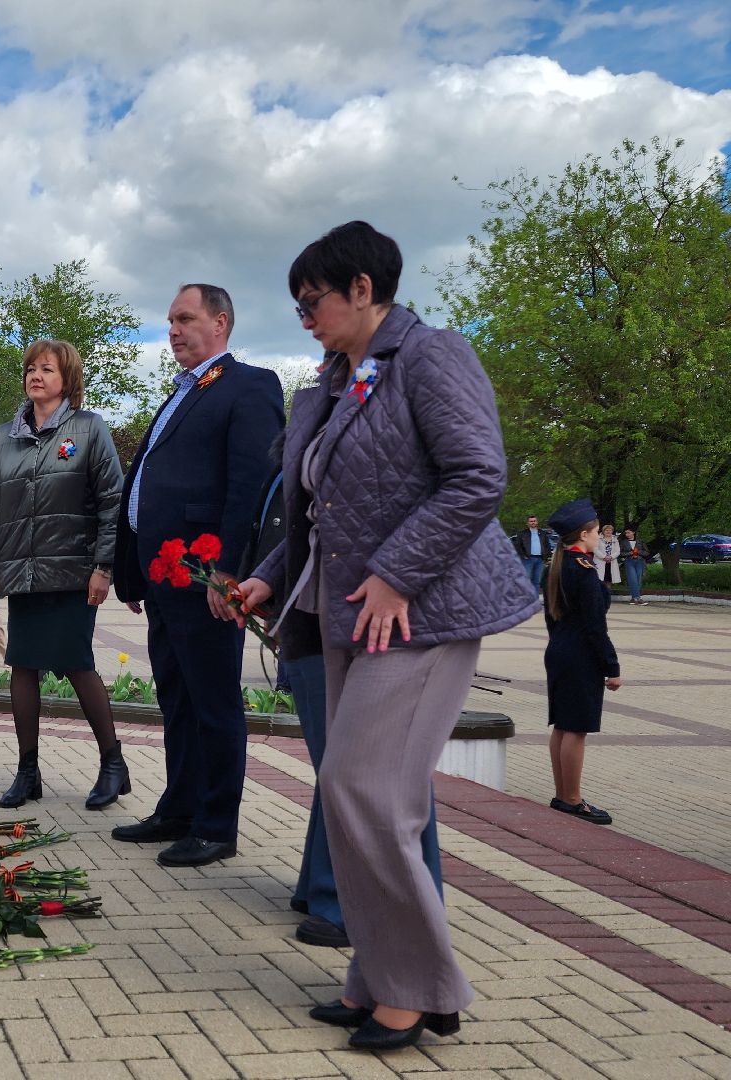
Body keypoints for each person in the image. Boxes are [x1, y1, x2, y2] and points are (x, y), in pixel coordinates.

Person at [236, 222, 538, 1051]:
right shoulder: (340, 380)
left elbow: (479, 473)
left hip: (424, 612)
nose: (304, 317)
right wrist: (270, 573)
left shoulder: (432, 356)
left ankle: (420, 988)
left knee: (367, 790)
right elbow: (323, 507)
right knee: (353, 793)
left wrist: (401, 570)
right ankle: (380, 977)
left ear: (363, 288)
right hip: (345, 616)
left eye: (312, 301)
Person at [239, 432, 444, 953]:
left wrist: (397, 576)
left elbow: (456, 499)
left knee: (374, 773)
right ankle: (324, 887)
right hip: (312, 619)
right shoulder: (323, 407)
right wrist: (267, 577)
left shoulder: (405, 396)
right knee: (337, 768)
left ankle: (371, 910)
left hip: (375, 619)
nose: (317, 347)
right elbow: (313, 526)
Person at [110, 284, 284, 868]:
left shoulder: (249, 385)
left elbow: (249, 488)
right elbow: (149, 483)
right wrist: (132, 568)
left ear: (221, 322)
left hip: (208, 578)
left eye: (185, 319)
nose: (173, 330)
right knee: (177, 699)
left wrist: (230, 572)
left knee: (213, 703)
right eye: (169, 321)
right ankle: (179, 809)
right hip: (167, 577)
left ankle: (216, 824)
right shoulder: (183, 393)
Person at [0, 339, 128, 811]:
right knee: (23, 665)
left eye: (47, 369)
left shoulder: (88, 429)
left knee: (78, 665)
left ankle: (113, 764)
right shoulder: (4, 438)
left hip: (75, 573)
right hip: (24, 574)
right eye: (31, 369)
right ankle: (28, 771)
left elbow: (112, 502)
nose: (36, 376)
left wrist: (104, 566)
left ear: (67, 378)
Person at [544, 499, 621, 824]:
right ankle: (573, 799)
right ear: (585, 534)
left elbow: (552, 617)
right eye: (595, 531)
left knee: (563, 725)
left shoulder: (554, 568)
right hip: (581, 657)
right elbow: (594, 626)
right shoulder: (585, 573)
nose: (598, 537)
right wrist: (611, 666)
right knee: (576, 728)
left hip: (559, 650)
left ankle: (563, 795)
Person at [512, 516, 555, 589]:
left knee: (536, 581)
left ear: (537, 522)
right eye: (531, 521)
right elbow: (517, 546)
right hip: (528, 559)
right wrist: (523, 556)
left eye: (534, 521)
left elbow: (547, 545)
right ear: (527, 523)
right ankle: (526, 599)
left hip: (540, 559)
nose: (533, 522)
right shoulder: (522, 533)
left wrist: (546, 557)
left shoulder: (542, 533)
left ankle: (535, 599)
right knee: (526, 579)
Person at [621, 527, 650, 605]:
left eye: (629, 532)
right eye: (626, 533)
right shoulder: (624, 542)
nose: (627, 534)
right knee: (632, 579)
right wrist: (630, 553)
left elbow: (647, 552)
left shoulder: (640, 541)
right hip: (629, 561)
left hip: (639, 561)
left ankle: (634, 598)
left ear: (633, 532)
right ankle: (638, 598)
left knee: (638, 579)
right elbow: (621, 553)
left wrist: (638, 552)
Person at [595, 523, 622, 587]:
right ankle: (600, 595)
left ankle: (607, 594)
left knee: (609, 579)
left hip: (611, 562)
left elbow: (618, 551)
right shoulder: (598, 539)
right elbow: (595, 549)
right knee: (600, 579)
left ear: (612, 531)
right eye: (606, 530)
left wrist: (611, 557)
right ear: (603, 531)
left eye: (610, 530)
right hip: (600, 561)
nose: (608, 531)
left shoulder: (615, 539)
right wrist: (604, 557)